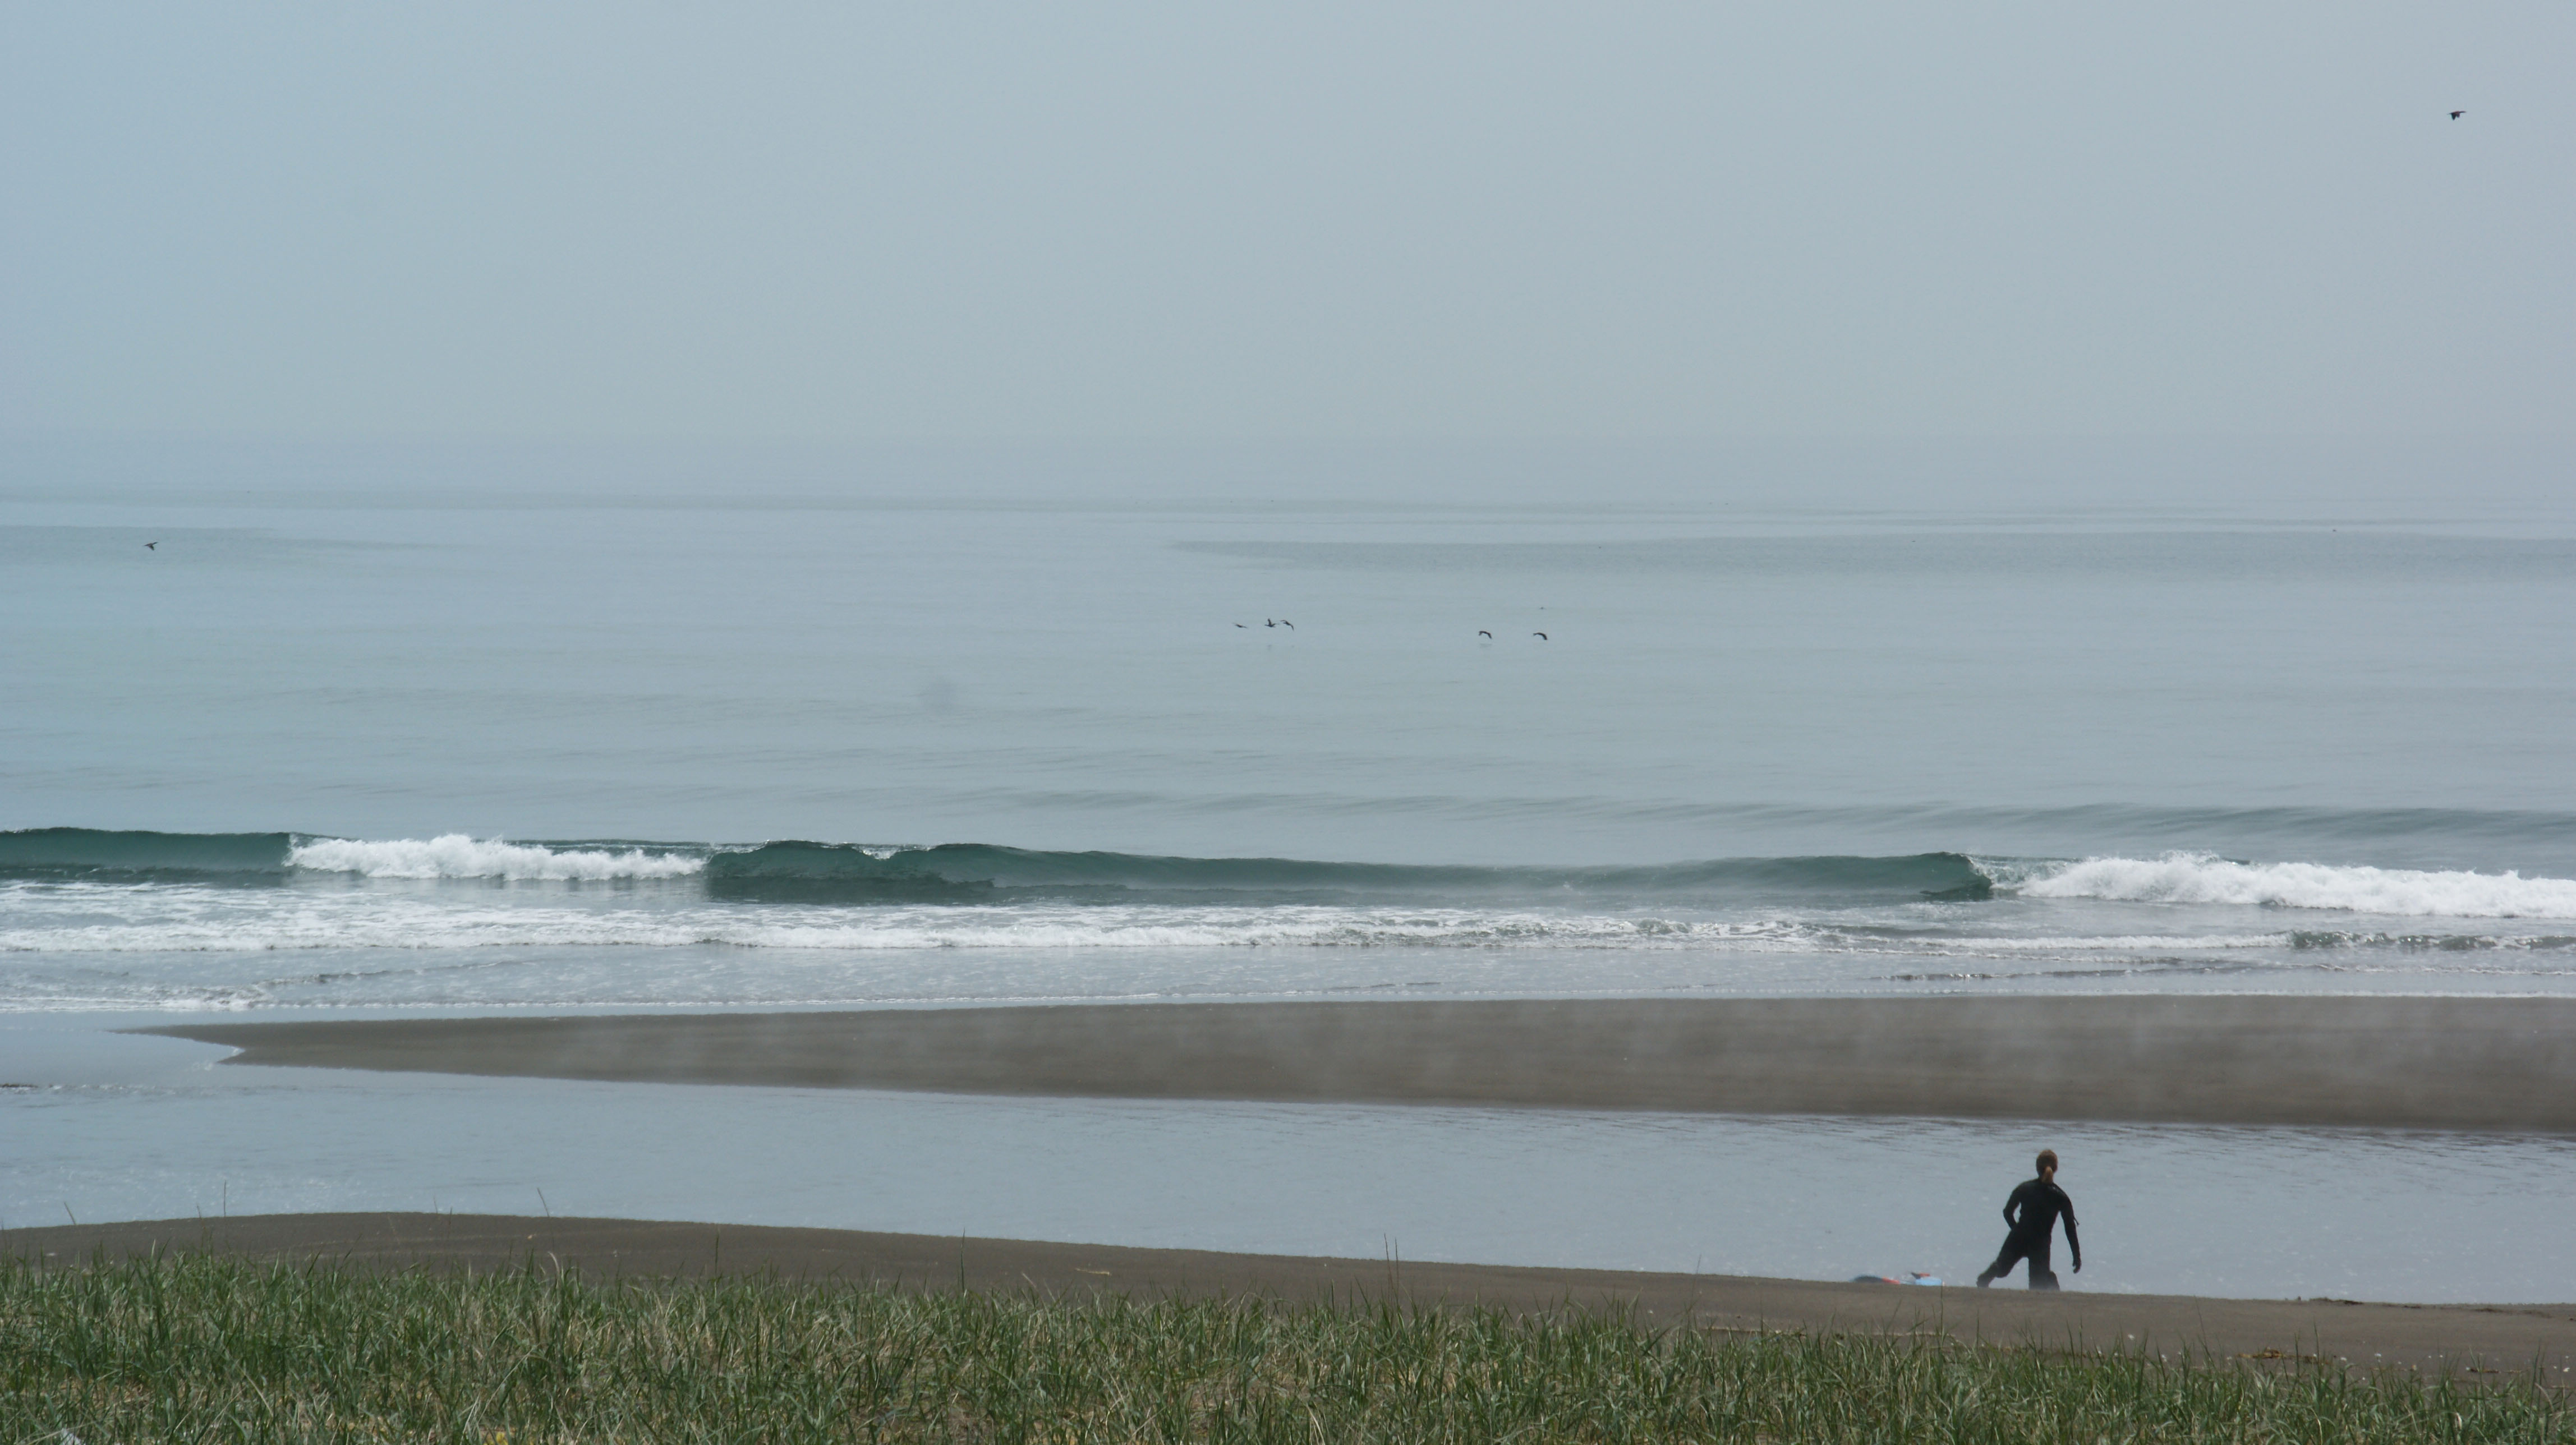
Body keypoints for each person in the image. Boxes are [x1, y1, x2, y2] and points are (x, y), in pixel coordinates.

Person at [1976, 1149, 2081, 1290]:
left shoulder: (2024, 1188)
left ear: (2037, 1168)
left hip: (2018, 1237)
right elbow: (2070, 1228)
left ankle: (1984, 1280)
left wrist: (2017, 1229)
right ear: (2055, 1169)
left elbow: (2007, 1212)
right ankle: (2049, 1278)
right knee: (2037, 1286)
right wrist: (2076, 1256)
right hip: (2040, 1243)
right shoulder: (2061, 1197)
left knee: (2001, 1270)